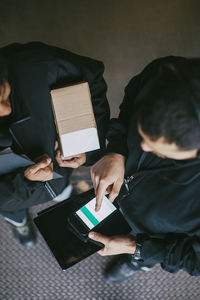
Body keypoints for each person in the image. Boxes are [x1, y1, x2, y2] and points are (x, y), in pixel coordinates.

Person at [89, 56, 200, 282]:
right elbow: (131, 100)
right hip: (127, 203)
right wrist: (117, 150)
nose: (143, 147)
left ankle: (139, 263)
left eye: (159, 150)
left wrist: (137, 248)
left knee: (145, 254)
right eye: (143, 134)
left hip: (157, 235)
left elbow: (195, 261)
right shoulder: (163, 74)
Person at [0, 42, 110, 248]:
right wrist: (26, 182)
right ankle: (18, 220)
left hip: (60, 166)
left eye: (3, 93)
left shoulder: (37, 64)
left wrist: (84, 140)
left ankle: (64, 192)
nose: (5, 110)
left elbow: (92, 78)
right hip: (10, 195)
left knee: (62, 188)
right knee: (11, 207)